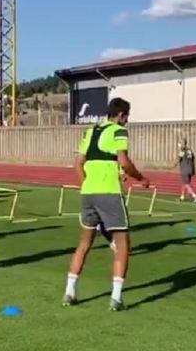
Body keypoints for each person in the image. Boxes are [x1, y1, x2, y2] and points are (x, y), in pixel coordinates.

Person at [63, 98, 148, 312]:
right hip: (109, 193)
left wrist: (87, 186)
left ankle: (69, 292)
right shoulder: (119, 131)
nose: (127, 120)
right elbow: (124, 161)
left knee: (83, 245)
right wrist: (141, 178)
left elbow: (78, 164)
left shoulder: (90, 131)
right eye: (126, 116)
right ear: (120, 115)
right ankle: (116, 298)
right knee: (123, 245)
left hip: (88, 193)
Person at [177, 138, 196, 203]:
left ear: (183, 143)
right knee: (184, 183)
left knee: (186, 184)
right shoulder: (190, 150)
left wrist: (172, 165)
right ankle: (182, 197)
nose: (179, 144)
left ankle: (194, 196)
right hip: (190, 169)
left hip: (185, 169)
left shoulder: (182, 150)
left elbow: (178, 159)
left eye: (180, 143)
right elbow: (193, 158)